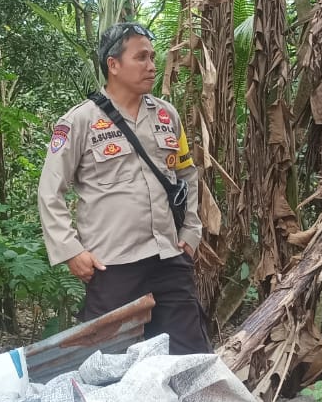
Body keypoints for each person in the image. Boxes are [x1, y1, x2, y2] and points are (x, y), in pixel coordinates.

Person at [37, 21, 210, 354]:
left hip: (169, 257)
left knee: (189, 357)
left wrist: (191, 232)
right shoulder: (80, 121)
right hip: (113, 265)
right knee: (106, 363)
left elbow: (186, 175)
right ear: (113, 65)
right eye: (141, 57)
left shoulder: (166, 115)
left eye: (153, 57)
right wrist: (70, 250)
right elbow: (49, 191)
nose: (151, 65)